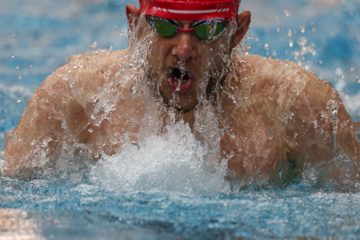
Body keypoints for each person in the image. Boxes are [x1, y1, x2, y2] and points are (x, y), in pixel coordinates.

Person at [2, 0, 360, 184]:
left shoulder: (298, 106)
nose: (185, 48)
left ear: (238, 32)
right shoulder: (73, 98)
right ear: (134, 24)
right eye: (164, 25)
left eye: (207, 29)